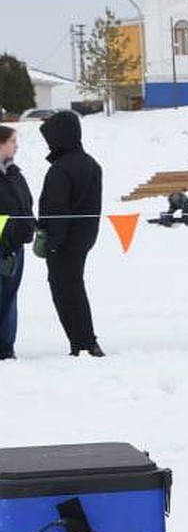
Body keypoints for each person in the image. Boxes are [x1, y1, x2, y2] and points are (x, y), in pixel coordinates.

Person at [35, 111, 103, 356]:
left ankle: (83, 343)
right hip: (83, 239)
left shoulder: (61, 169)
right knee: (75, 288)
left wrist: (51, 241)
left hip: (62, 243)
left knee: (65, 292)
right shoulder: (91, 164)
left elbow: (56, 209)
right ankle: (85, 340)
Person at [0, 125, 36, 359]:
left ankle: (6, 346)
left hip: (14, 247)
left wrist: (28, 227)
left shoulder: (15, 174)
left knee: (10, 296)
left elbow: (26, 205)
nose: (17, 145)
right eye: (12, 141)